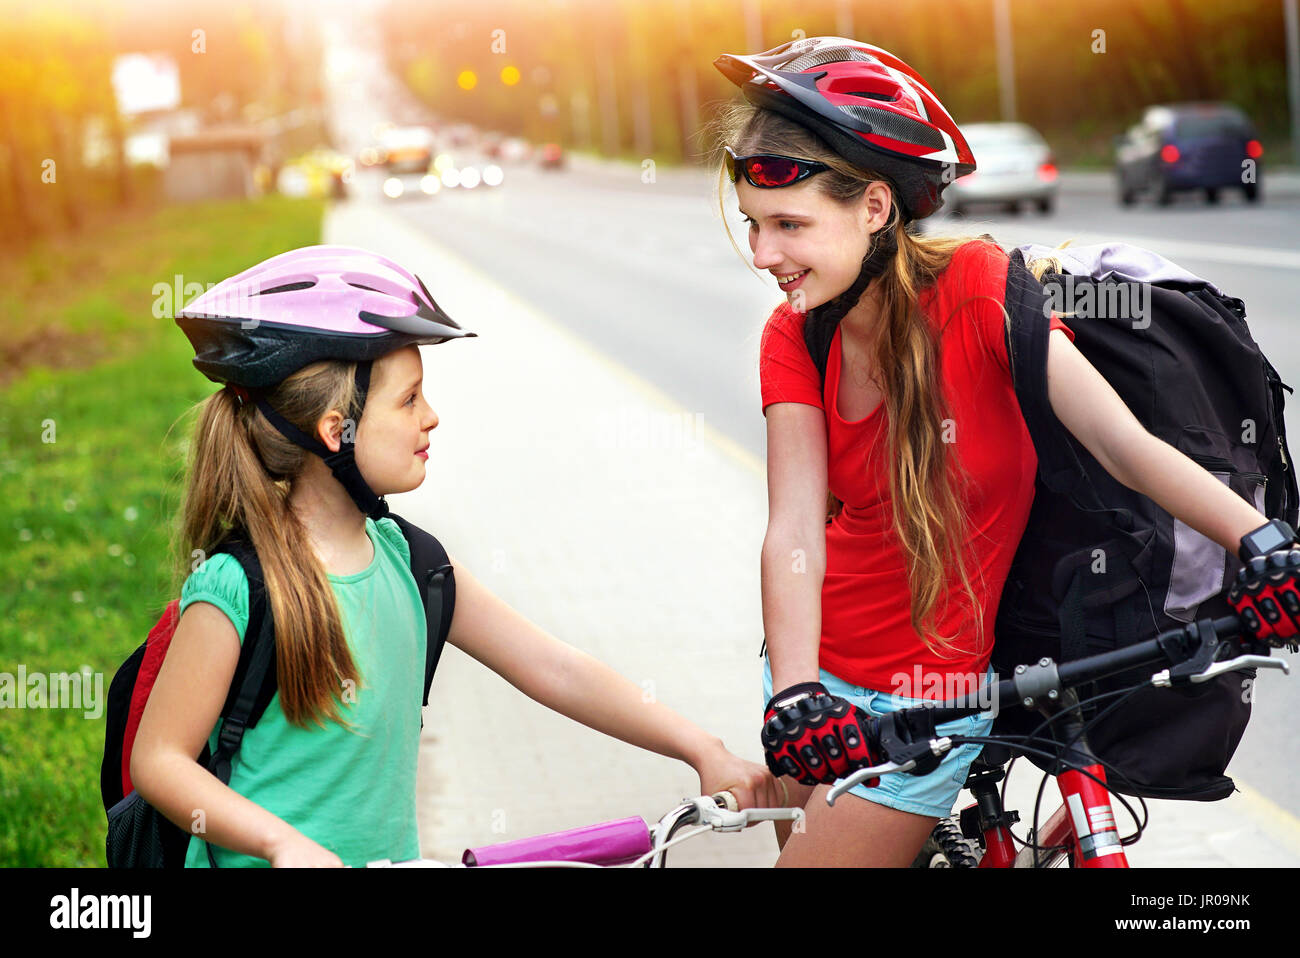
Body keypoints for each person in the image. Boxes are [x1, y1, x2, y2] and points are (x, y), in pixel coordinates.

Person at [711, 37, 1293, 867]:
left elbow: (1120, 444)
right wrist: (798, 691)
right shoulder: (794, 336)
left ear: (876, 207)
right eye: (755, 226)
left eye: (789, 226)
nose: (764, 255)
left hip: (932, 704)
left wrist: (1260, 541)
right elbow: (796, 530)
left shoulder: (983, 293)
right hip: (810, 682)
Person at [130, 244, 777, 867]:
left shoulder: (413, 565)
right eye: (408, 399)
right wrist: (282, 845)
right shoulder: (238, 588)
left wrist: (701, 747)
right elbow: (160, 760)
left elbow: (556, 669)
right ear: (336, 429)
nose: (432, 417)